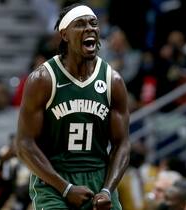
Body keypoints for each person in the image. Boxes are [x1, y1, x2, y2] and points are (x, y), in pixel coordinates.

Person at [15, 3, 130, 210]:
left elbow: (122, 144)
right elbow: (24, 144)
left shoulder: (112, 80)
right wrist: (65, 188)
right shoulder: (43, 79)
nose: (89, 28)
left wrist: (107, 190)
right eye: (80, 24)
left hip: (99, 178)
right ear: (65, 35)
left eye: (93, 23)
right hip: (53, 179)